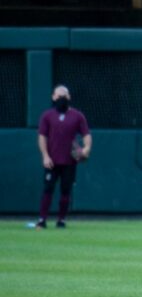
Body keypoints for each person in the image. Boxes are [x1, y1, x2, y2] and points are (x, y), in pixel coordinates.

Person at [36, 84, 91, 229]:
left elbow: (86, 135)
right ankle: (42, 220)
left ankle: (61, 220)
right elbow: (42, 137)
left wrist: (86, 148)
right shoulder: (47, 115)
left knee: (66, 190)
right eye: (59, 96)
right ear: (53, 97)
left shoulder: (77, 116)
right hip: (52, 161)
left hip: (69, 161)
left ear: (69, 97)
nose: (62, 98)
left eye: (65, 96)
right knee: (48, 188)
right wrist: (45, 156)